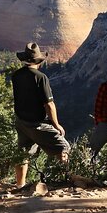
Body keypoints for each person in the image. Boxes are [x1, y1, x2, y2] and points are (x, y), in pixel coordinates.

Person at [11, 42, 69, 187]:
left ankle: (20, 185)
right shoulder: (41, 77)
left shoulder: (16, 76)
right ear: (38, 61)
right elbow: (49, 104)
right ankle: (65, 181)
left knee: (23, 153)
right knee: (63, 146)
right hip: (37, 123)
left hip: (21, 121)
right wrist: (56, 124)